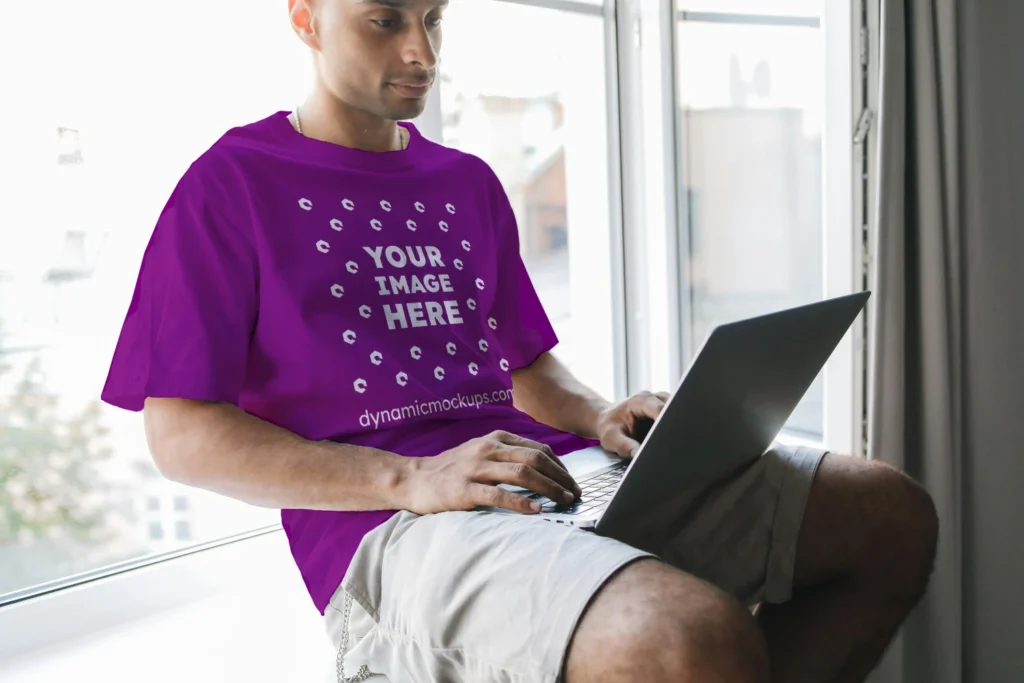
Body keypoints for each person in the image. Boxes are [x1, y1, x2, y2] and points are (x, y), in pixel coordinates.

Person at [101, 1, 939, 681]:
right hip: (389, 526)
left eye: (435, 18)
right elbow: (182, 435)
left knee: (887, 515)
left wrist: (600, 413)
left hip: (544, 474)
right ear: (306, 18)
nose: (422, 50)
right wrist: (414, 475)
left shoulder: (463, 181)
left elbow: (526, 364)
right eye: (385, 20)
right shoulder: (230, 185)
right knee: (693, 640)